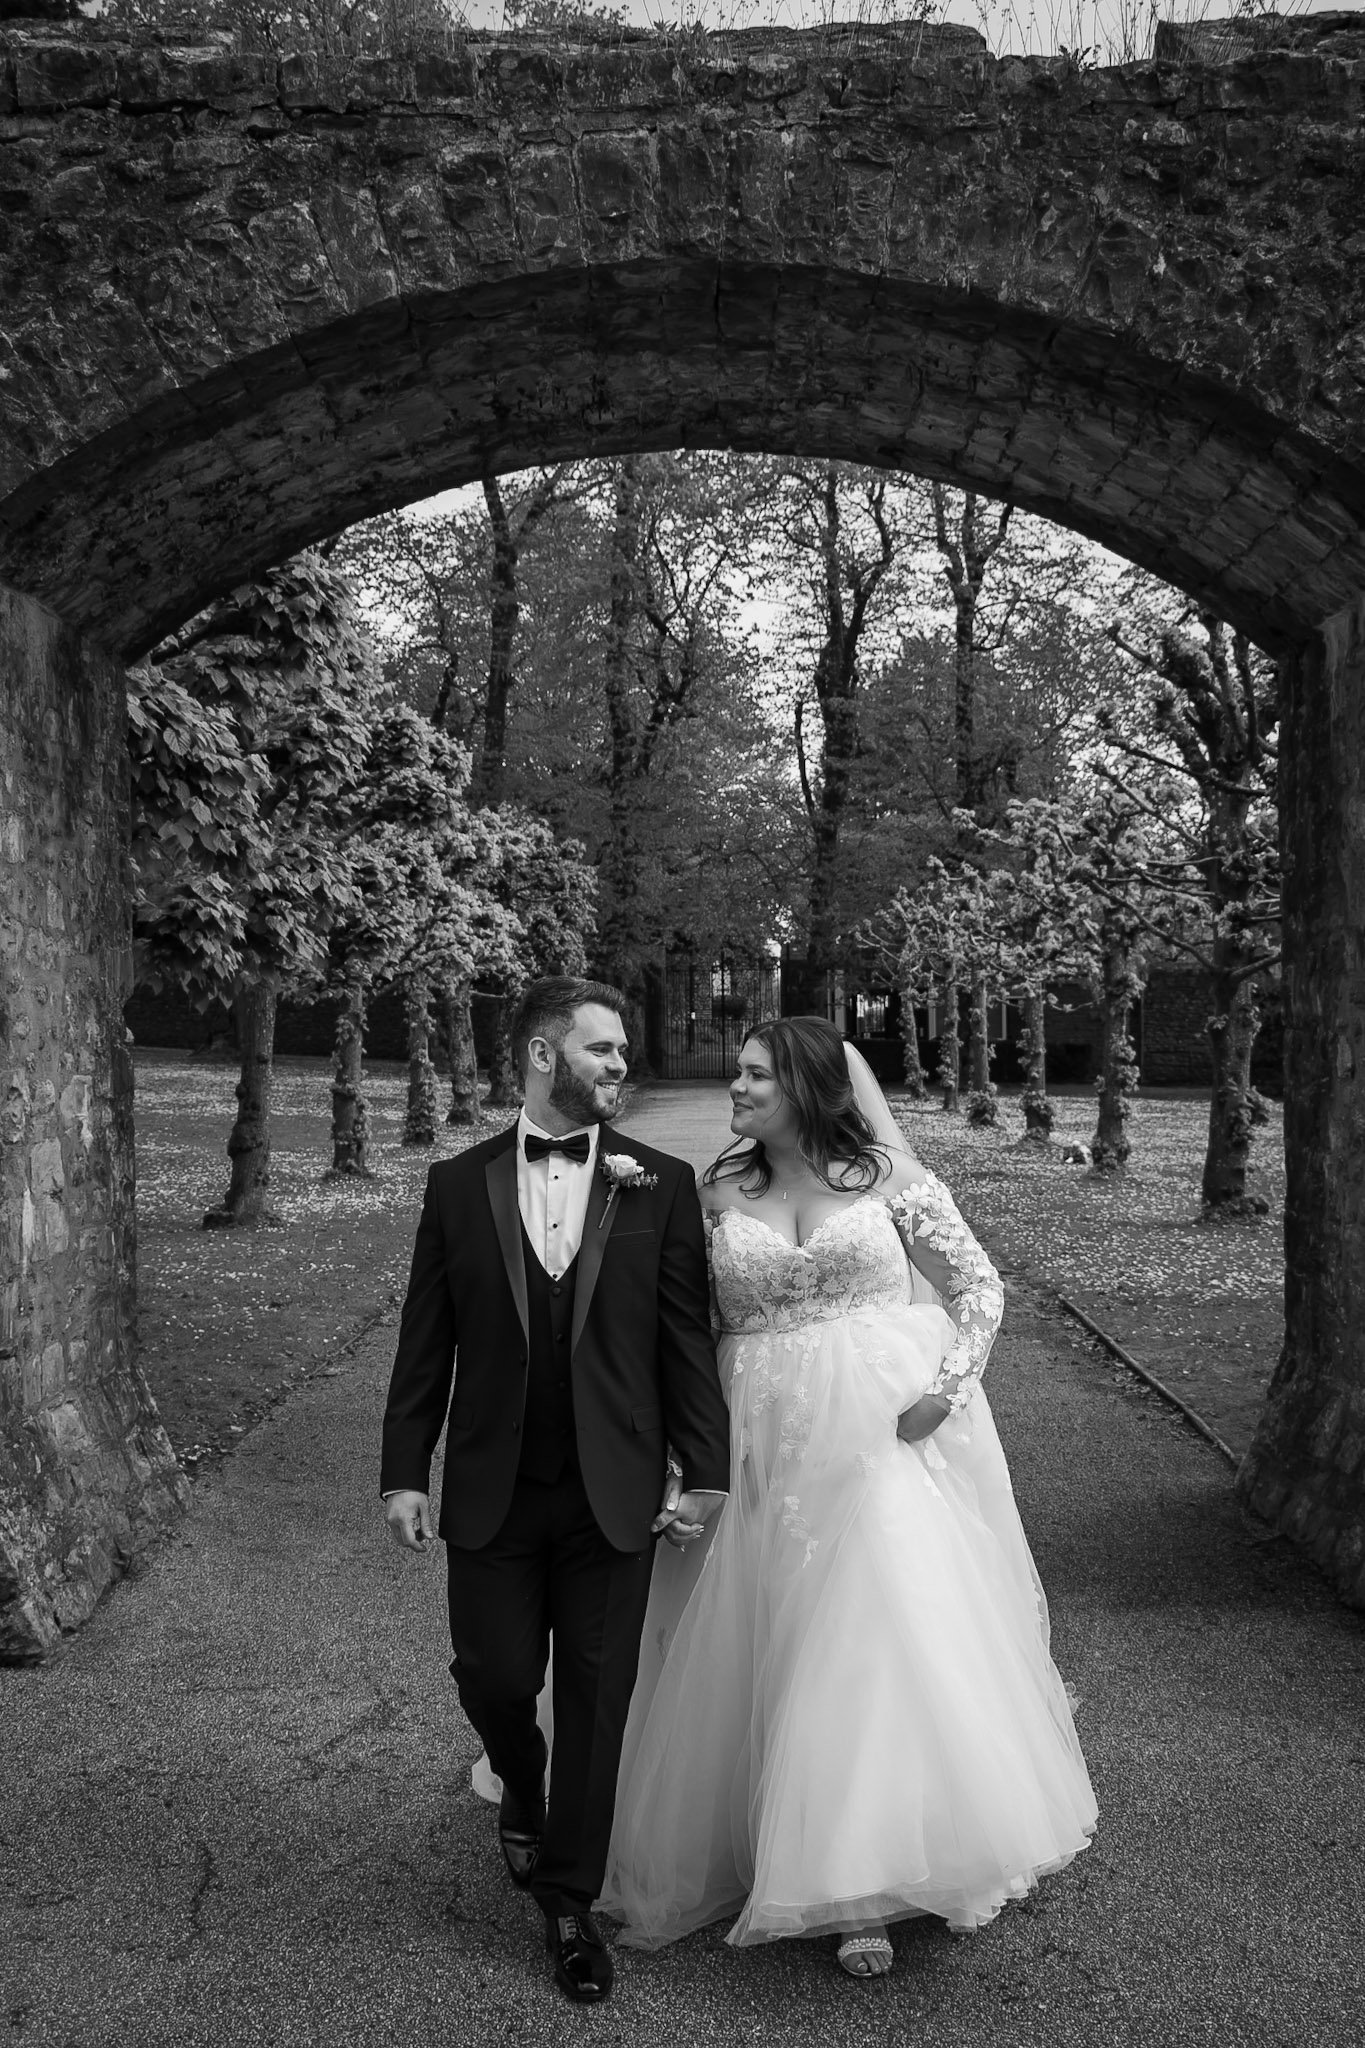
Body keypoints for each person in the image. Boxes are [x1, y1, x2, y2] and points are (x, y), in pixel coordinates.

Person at [600, 1015, 1097, 1976]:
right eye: (739, 1073)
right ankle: (755, 1832)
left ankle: (859, 1883)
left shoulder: (890, 1179)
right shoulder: (716, 1191)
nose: (735, 1088)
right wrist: (682, 1455)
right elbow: (685, 1331)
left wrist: (943, 1391)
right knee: (760, 1630)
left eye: (754, 1075)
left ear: (806, 1087)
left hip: (877, 1434)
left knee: (868, 1629)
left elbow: (977, 1289)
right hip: (757, 1434)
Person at [380, 976, 730, 2005]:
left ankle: (569, 1899)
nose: (621, 1064)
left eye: (620, 1050)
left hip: (613, 1491)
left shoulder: (660, 1184)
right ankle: (517, 1782)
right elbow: (425, 1340)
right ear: (543, 1055)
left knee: (596, 1697)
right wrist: (404, 1470)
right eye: (602, 1049)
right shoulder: (458, 1185)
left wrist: (705, 1470)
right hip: (493, 1486)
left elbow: (684, 1342)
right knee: (492, 1674)